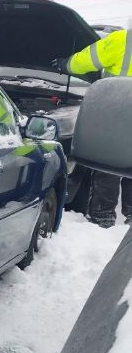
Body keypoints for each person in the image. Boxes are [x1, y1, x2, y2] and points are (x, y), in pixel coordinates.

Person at [53, 29, 132, 228]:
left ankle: (103, 215)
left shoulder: (123, 39)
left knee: (110, 163)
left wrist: (65, 64)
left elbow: (87, 59)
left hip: (118, 110)